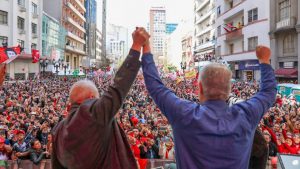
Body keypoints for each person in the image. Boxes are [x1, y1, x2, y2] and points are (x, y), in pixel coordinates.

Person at [142, 38, 277, 169]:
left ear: (200, 87)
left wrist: (146, 47)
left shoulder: (184, 113)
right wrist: (264, 60)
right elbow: (268, 92)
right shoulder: (246, 114)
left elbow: (155, 86)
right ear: (229, 89)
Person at [52, 27, 150, 169]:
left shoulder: (58, 130)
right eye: (98, 100)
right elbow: (117, 88)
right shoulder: (91, 113)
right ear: (92, 98)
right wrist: (136, 47)